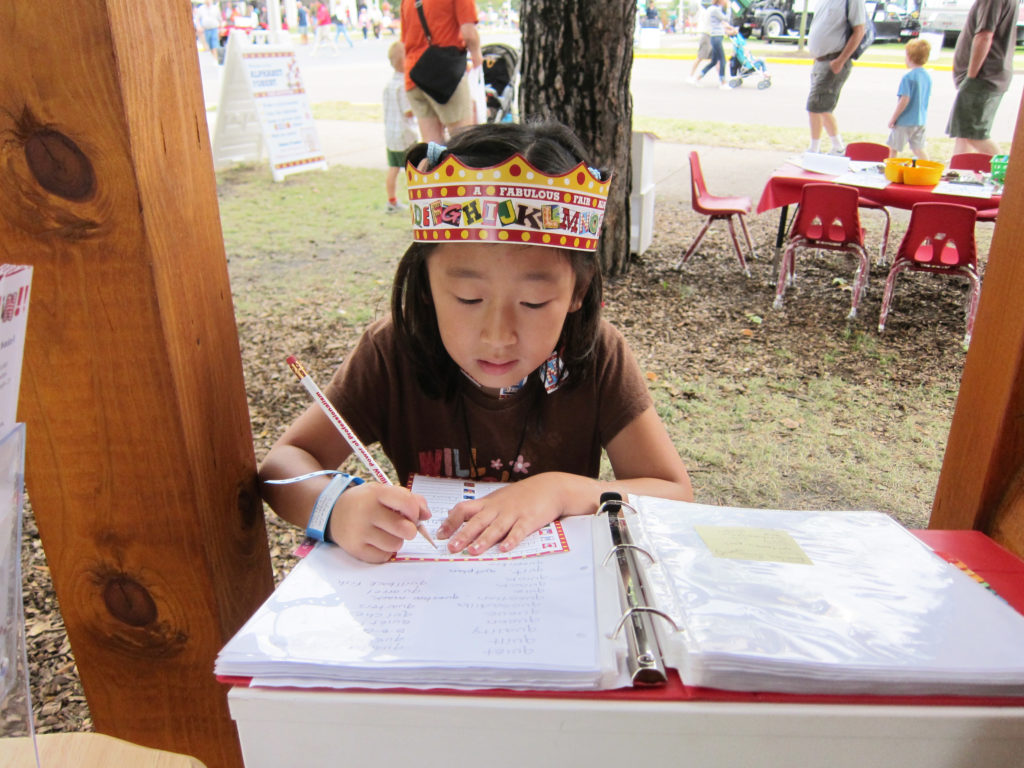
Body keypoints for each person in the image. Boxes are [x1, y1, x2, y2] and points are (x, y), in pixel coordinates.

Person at [258, 121, 694, 564]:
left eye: (534, 302)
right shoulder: (394, 352)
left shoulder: (595, 356)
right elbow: (283, 465)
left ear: (577, 293)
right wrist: (338, 509)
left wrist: (561, 490)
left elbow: (673, 494)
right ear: (427, 286)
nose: (498, 335)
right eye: (468, 298)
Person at [400, 0, 484, 144]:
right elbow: (469, 33)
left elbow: (404, 42)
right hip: (445, 76)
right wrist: (476, 56)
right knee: (463, 141)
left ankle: (429, 167)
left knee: (431, 145)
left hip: (414, 76)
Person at [946, 0, 1017, 155]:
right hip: (988, 76)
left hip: (982, 77)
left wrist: (971, 77)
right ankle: (959, 174)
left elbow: (984, 35)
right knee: (964, 134)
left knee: (975, 136)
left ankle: (1009, 174)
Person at [805, 0, 866, 155]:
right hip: (820, 60)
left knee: (816, 105)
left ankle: (828, 148)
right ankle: (829, 147)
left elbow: (859, 30)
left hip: (834, 60)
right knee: (821, 107)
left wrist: (840, 60)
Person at [383, 41, 418, 213]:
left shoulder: (388, 86)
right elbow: (408, 112)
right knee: (413, 170)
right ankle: (417, 200)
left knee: (393, 168)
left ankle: (391, 200)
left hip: (391, 135)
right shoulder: (404, 87)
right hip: (405, 135)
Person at [887, 38, 932, 160]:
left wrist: (893, 118)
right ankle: (926, 168)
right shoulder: (927, 76)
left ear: (910, 57)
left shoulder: (908, 77)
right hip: (920, 120)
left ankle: (891, 169)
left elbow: (904, 100)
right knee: (918, 148)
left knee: (893, 148)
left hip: (905, 121)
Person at [695, 0, 737, 90]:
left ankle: (698, 77)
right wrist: (729, 8)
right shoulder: (714, 9)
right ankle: (723, 82)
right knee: (723, 60)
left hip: (716, 37)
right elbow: (726, 19)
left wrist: (730, 29)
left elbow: (722, 23)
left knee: (714, 61)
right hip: (716, 37)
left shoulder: (716, 9)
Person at [687, 1, 713, 84]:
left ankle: (722, 79)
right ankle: (691, 75)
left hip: (711, 36)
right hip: (706, 35)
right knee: (700, 57)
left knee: (716, 59)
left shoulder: (708, 11)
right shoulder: (706, 12)